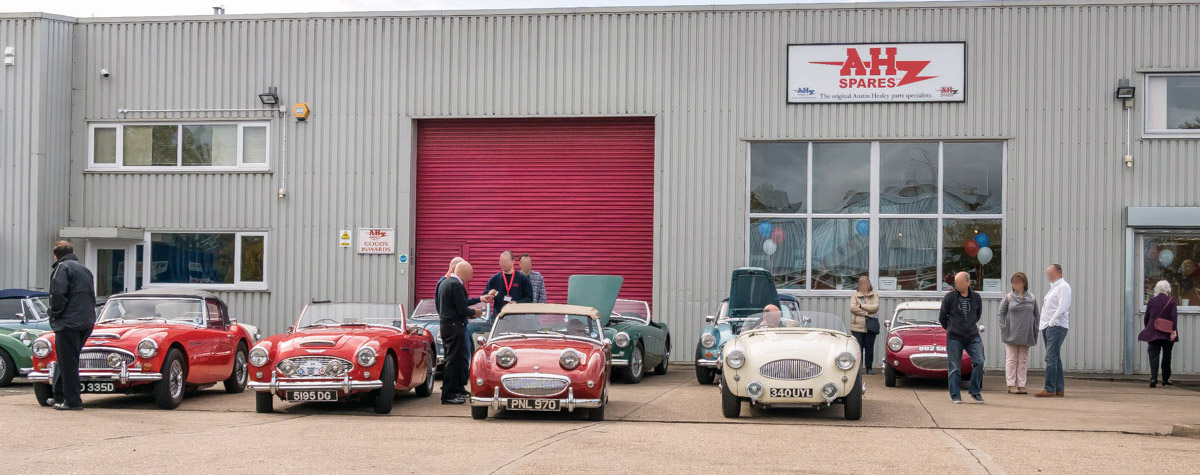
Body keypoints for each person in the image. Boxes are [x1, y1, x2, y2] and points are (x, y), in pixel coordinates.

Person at [46, 241, 96, 410]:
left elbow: (58, 295)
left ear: (56, 255)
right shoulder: (84, 269)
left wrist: (54, 314)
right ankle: (60, 395)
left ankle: (73, 401)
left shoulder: (62, 268)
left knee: (68, 362)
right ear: (72, 251)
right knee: (67, 360)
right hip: (86, 321)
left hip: (68, 322)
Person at [437, 261, 494, 404]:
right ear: (463, 272)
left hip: (449, 326)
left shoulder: (446, 283)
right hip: (454, 326)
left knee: (455, 359)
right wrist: (476, 312)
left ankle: (455, 389)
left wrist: (479, 299)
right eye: (470, 273)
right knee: (453, 360)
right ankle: (448, 394)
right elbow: (462, 310)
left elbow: (460, 303)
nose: (472, 276)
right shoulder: (456, 285)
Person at [938, 272, 985, 404]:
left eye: (960, 283)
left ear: (968, 283)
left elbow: (977, 315)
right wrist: (951, 328)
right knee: (954, 367)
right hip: (954, 337)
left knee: (979, 361)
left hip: (972, 336)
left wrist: (969, 326)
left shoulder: (976, 297)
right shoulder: (949, 297)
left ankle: (975, 392)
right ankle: (955, 395)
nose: (957, 285)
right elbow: (942, 317)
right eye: (956, 283)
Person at [998, 272, 1039, 394]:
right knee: (1011, 359)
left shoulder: (1032, 297)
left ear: (1024, 283)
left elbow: (1037, 314)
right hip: (1011, 332)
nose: (1015, 284)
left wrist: (1035, 328)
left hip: (1026, 333)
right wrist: (1003, 327)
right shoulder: (1008, 297)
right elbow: (1001, 313)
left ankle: (1021, 384)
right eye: (1013, 282)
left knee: (1023, 360)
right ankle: (1011, 385)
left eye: (1017, 282)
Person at [1036, 263, 1071, 398]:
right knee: (1055, 358)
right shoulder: (1054, 288)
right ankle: (1059, 388)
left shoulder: (1063, 287)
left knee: (1050, 357)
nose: (1048, 275)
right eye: (1047, 273)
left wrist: (1052, 323)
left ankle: (1049, 388)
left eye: (1051, 273)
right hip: (1047, 326)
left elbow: (1062, 307)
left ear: (1059, 272)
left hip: (1056, 327)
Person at [1138, 280, 1179, 388]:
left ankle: (1153, 378)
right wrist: (1173, 331)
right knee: (1167, 356)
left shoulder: (1151, 301)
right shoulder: (1171, 301)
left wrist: (1149, 328)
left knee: (1153, 356)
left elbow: (1146, 317)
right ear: (1168, 289)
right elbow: (1174, 317)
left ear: (1157, 289)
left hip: (1153, 333)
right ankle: (1165, 379)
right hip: (1167, 334)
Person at [849, 276, 880, 374]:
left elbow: (875, 308)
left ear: (869, 284)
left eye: (865, 283)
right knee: (858, 349)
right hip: (857, 327)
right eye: (861, 283)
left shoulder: (874, 295)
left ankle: (869, 368)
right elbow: (852, 308)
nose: (863, 285)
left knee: (869, 348)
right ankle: (858, 368)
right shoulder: (855, 295)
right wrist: (867, 313)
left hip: (870, 326)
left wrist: (862, 306)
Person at [486, 251, 533, 315]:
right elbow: (484, 296)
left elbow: (529, 298)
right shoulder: (494, 279)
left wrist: (517, 303)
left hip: (518, 316)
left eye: (505, 261)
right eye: (501, 261)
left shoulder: (522, 278)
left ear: (513, 261)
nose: (503, 263)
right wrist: (489, 295)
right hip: (499, 316)